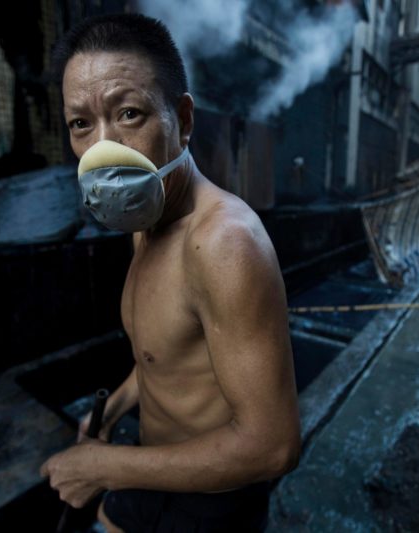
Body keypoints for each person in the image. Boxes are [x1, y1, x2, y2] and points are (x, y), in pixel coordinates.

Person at [39, 13, 301, 532]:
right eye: (81, 124)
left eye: (129, 113)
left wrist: (104, 466)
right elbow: (165, 357)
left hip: (214, 499)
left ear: (181, 119)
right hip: (150, 468)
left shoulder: (224, 243)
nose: (102, 150)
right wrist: (111, 411)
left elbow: (273, 446)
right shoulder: (146, 218)